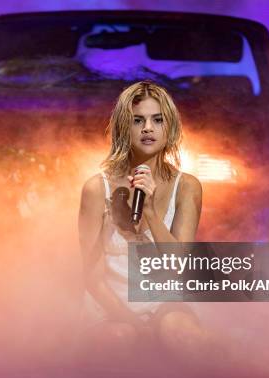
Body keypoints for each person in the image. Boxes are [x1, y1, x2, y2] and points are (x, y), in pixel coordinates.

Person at [77, 80, 206, 361]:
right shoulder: (97, 189)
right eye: (138, 121)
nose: (148, 128)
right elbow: (92, 278)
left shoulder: (187, 187)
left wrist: (149, 211)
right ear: (125, 128)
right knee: (120, 340)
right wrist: (135, 325)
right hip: (110, 304)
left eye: (157, 120)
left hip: (165, 302)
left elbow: (177, 268)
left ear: (169, 127)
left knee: (183, 335)